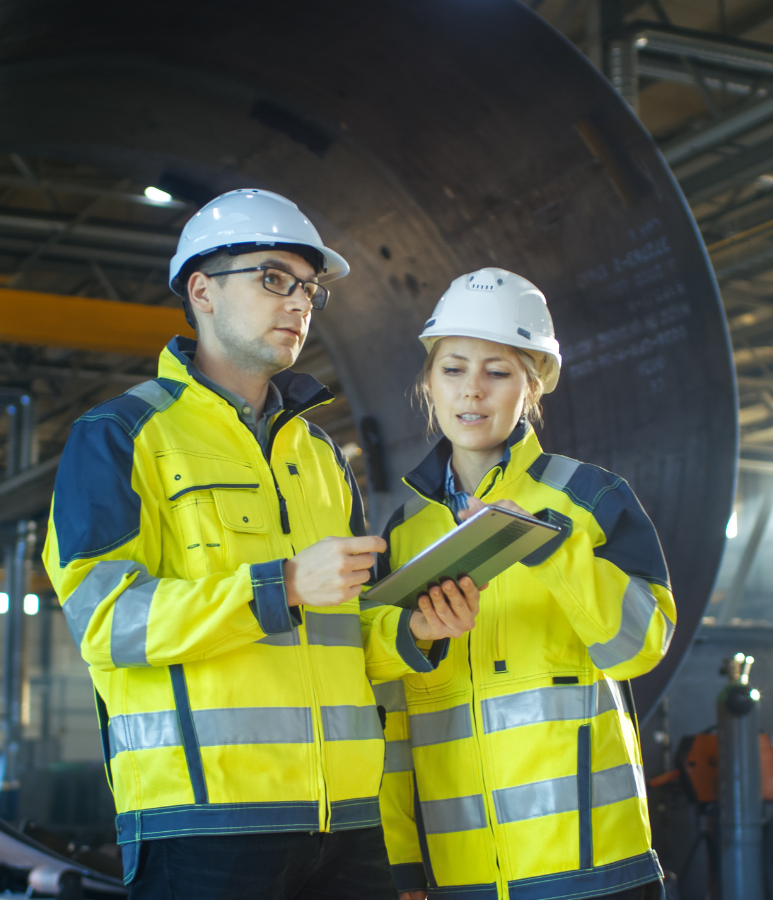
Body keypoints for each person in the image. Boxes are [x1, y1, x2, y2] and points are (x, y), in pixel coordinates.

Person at [42, 189, 482, 900]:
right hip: (203, 825)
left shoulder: (319, 455)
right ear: (203, 289)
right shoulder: (120, 436)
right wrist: (280, 585)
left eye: (309, 289)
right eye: (274, 278)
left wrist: (412, 633)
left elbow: (346, 638)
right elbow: (108, 622)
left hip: (347, 823)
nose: (298, 302)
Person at [373, 268, 676, 900]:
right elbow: (391, 716)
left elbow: (641, 645)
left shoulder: (591, 499)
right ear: (429, 381)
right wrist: (401, 861)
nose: (472, 392)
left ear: (531, 386)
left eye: (499, 371)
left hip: (595, 868)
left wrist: (546, 547)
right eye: (452, 369)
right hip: (462, 877)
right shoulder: (400, 536)